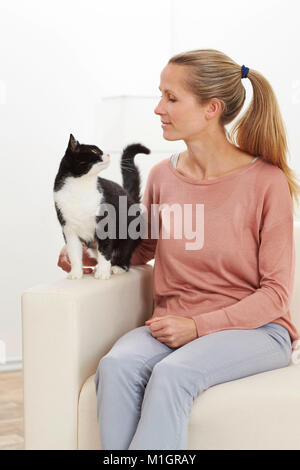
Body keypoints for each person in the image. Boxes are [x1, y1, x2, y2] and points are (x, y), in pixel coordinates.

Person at [58, 49, 300, 450]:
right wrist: (88, 255)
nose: (158, 108)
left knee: (173, 375)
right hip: (171, 322)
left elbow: (276, 295)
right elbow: (143, 247)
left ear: (212, 109)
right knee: (116, 367)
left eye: (171, 98)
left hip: (256, 331)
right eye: (160, 95)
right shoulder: (161, 176)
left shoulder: (266, 181)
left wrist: (198, 327)